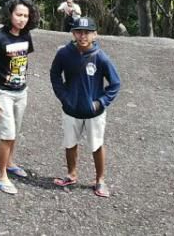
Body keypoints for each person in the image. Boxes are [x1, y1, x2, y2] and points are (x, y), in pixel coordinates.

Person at [49, 16, 121, 198]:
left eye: (87, 32)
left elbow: (115, 83)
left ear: (95, 35)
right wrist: (63, 97)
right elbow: (55, 75)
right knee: (70, 143)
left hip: (94, 113)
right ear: (73, 33)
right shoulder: (64, 53)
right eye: (79, 32)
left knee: (97, 145)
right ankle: (71, 174)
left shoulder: (100, 57)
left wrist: (101, 102)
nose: (83, 36)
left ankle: (100, 180)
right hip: (70, 109)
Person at [0, 0, 39, 195]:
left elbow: (22, 61)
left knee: (15, 131)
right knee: (8, 134)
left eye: (25, 15)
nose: (22, 19)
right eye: (18, 15)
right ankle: (0, 175)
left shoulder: (26, 36)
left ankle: (10, 162)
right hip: (3, 92)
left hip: (21, 91)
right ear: (10, 14)